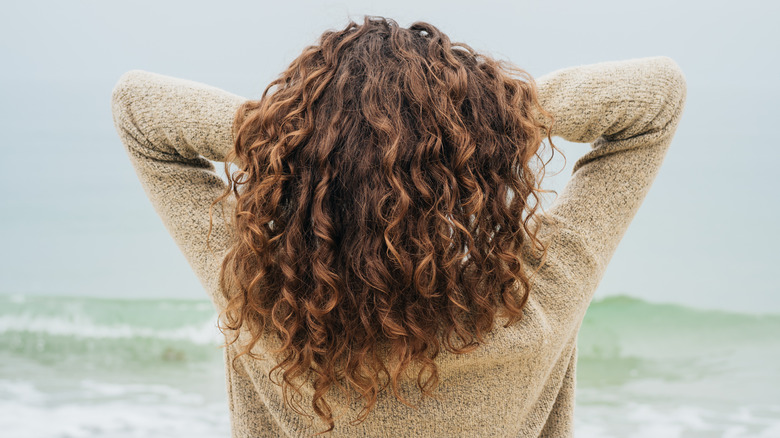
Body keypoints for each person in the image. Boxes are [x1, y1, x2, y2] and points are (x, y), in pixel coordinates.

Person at [110, 15, 686, 438]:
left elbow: (139, 109)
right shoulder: (533, 308)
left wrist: (298, 134)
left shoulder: (263, 303)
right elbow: (657, 97)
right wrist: (484, 121)